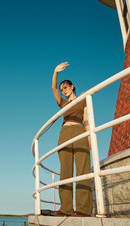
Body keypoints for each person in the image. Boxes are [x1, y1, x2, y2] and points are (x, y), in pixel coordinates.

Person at [51, 62, 93, 217]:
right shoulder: (62, 103)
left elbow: (87, 119)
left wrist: (89, 138)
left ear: (72, 86)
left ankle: (83, 209)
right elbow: (54, 89)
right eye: (63, 89)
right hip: (65, 133)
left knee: (82, 169)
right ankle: (66, 208)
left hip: (80, 130)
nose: (63, 91)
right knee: (65, 171)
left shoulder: (83, 99)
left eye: (66, 88)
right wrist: (55, 72)